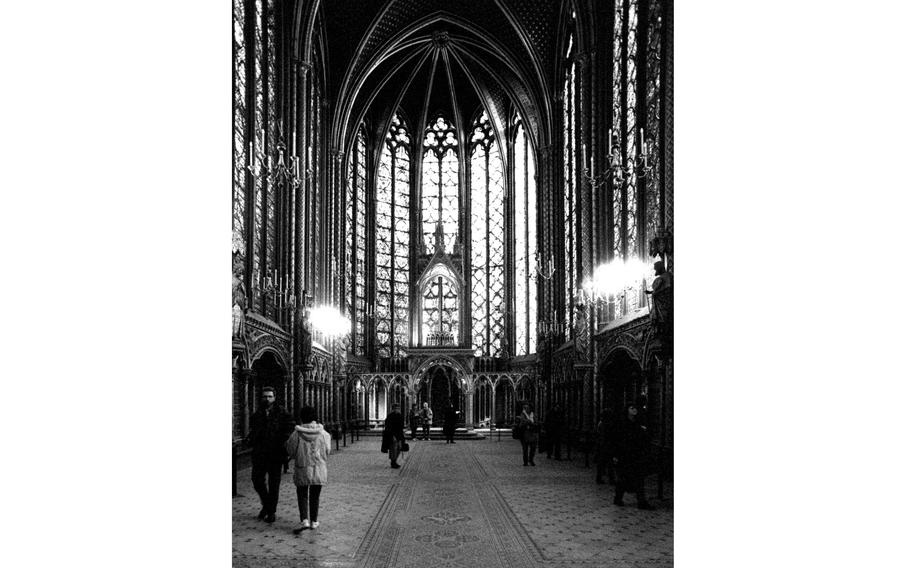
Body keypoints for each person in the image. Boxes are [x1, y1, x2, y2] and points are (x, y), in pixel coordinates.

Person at [246, 387, 294, 523]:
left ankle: (271, 511)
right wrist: (251, 439)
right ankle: (267, 505)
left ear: (274, 397)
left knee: (274, 484)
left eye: (270, 396)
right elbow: (253, 429)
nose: (267, 399)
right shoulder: (257, 414)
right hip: (260, 454)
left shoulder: (282, 413)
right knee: (257, 480)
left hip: (275, 453)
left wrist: (282, 442)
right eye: (265, 396)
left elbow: (290, 428)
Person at [285, 406, 332, 533]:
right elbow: (327, 451)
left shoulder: (296, 434)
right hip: (318, 468)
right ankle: (314, 521)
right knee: (315, 495)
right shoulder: (324, 434)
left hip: (302, 467)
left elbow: (290, 450)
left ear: (302, 417)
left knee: (302, 494)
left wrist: (299, 457)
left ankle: (304, 519)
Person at [612, 403, 654, 509]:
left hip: (636, 455)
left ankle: (641, 501)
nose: (634, 410)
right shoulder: (622, 423)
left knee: (639, 478)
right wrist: (616, 455)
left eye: (635, 408)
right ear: (627, 410)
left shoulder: (638, 423)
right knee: (623, 478)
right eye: (632, 408)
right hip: (625, 455)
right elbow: (617, 440)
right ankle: (618, 498)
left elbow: (642, 438)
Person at [594, 409, 617, 485]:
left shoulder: (601, 423)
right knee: (610, 463)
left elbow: (599, 434)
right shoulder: (608, 424)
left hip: (602, 445)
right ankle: (611, 479)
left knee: (601, 463)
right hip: (607, 445)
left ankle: (599, 478)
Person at [382, 403, 406, 468]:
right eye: (396, 408)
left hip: (399, 435)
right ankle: (393, 462)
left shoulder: (400, 416)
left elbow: (401, 426)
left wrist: (402, 434)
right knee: (393, 449)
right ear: (393, 409)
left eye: (398, 408)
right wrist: (392, 436)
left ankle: (394, 460)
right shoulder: (390, 416)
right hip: (392, 435)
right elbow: (388, 427)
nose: (397, 410)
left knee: (399, 448)